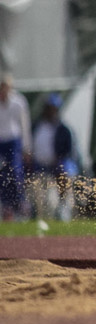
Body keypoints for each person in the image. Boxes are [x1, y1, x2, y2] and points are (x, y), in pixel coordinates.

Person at [28, 93, 79, 222]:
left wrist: (58, 162)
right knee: (43, 200)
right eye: (48, 108)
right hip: (40, 168)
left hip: (56, 168)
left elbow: (68, 151)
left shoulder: (63, 130)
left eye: (53, 109)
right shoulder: (37, 127)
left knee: (61, 186)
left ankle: (64, 209)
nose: (51, 112)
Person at [0, 73, 31, 221]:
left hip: (13, 141)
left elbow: (24, 125)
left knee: (15, 171)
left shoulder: (18, 102)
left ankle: (20, 204)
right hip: (1, 142)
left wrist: (26, 147)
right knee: (3, 174)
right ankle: (6, 206)